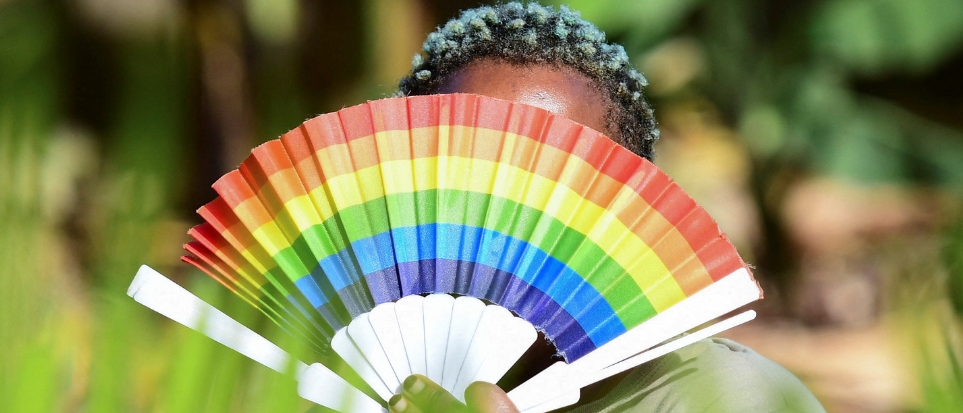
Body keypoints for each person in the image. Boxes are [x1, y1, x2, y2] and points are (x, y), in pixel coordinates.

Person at [322, 3, 826, 413]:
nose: (508, 218)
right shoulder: (330, 385)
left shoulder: (725, 399)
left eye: (556, 185)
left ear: (628, 213)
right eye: (469, 172)